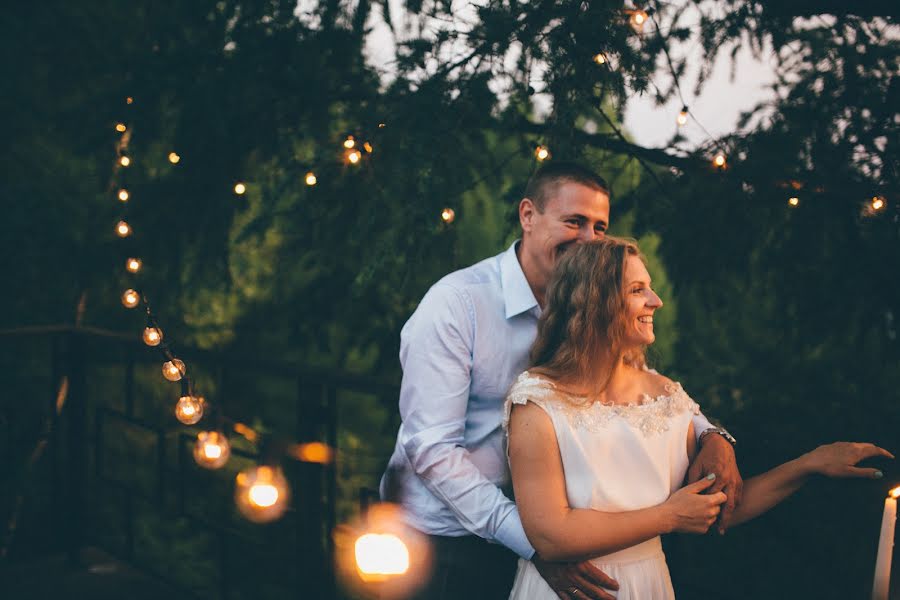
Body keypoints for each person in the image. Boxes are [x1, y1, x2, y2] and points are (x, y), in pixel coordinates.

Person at [380, 162, 743, 600]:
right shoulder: (456, 305)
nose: (589, 239)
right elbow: (432, 448)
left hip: (555, 532)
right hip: (448, 540)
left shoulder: (589, 306)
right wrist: (536, 542)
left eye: (600, 226)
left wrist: (713, 436)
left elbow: (639, 382)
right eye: (575, 221)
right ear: (528, 215)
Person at [505, 237, 893, 599]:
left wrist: (809, 464)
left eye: (650, 287)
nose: (655, 301)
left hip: (649, 584)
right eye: (637, 290)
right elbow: (550, 536)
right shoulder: (538, 400)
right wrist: (668, 516)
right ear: (595, 302)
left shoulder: (666, 396)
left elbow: (719, 506)